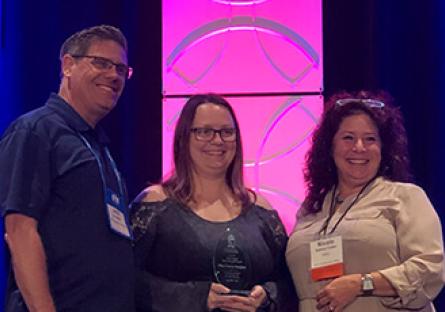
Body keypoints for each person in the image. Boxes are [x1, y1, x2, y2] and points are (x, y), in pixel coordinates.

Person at [0, 25, 135, 311]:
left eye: (122, 69)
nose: (113, 75)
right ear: (68, 65)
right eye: (101, 63)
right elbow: (19, 230)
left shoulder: (102, 148)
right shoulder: (35, 131)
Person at [131, 93, 297, 311]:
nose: (217, 141)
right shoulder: (154, 204)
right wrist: (197, 297)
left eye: (227, 132)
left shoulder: (261, 210)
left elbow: (291, 283)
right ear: (183, 138)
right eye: (204, 131)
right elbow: (124, 280)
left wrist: (267, 295)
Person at [285, 90, 444, 311]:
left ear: (383, 149)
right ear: (330, 147)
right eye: (348, 137)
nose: (359, 147)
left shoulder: (405, 197)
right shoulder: (311, 208)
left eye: (370, 139)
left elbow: (430, 268)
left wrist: (362, 284)